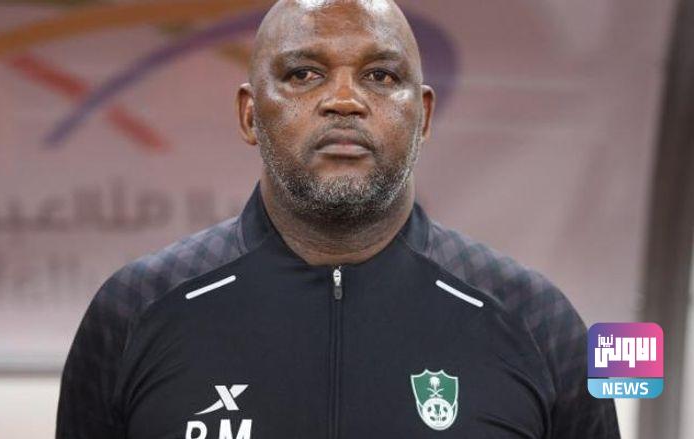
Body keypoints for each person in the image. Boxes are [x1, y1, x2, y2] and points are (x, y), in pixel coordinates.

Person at [56, 1, 620, 438]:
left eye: (381, 76)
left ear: (423, 116)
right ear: (250, 114)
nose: (344, 100)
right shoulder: (134, 311)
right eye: (304, 74)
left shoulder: (536, 322)